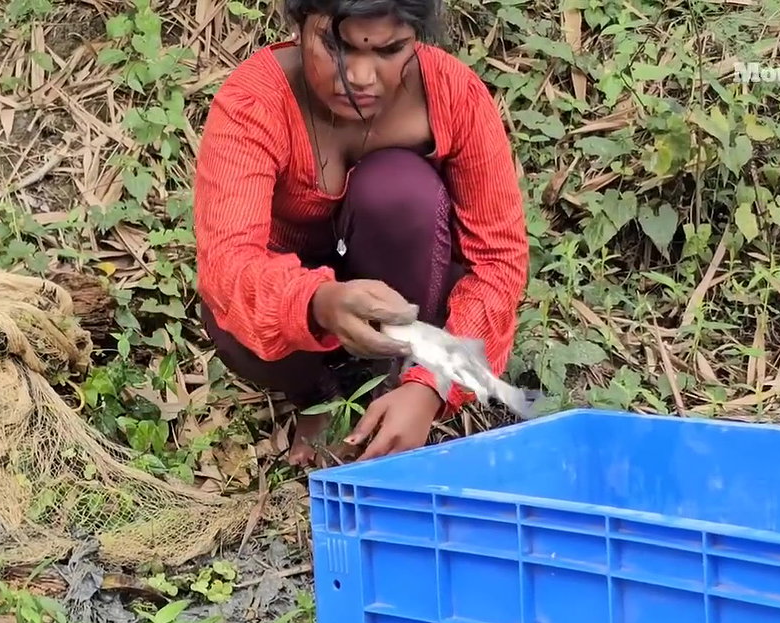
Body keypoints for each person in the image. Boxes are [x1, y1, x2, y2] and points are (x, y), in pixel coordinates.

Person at [192, 0, 528, 467]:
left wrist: (433, 382)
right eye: (335, 46)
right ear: (299, 25)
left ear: (416, 39)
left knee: (399, 191)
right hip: (293, 311)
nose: (361, 77)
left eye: (391, 50)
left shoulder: (453, 96)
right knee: (235, 314)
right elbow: (229, 266)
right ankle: (318, 395)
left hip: (407, 294)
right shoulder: (255, 102)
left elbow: (498, 261)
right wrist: (318, 302)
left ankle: (389, 381)